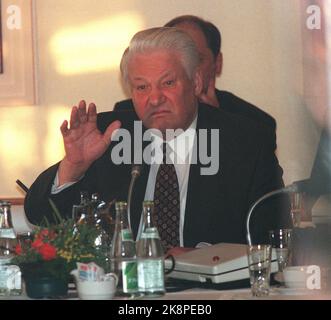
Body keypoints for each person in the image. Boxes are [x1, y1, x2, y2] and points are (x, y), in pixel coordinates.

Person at [24, 27, 291, 248]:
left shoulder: (246, 142)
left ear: (196, 82)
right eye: (142, 87)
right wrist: (73, 168)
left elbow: (272, 240)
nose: (154, 98)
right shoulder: (110, 135)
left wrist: (200, 260)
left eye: (168, 83)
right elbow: (40, 215)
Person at [114, 15, 276, 133]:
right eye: (142, 86)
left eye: (196, 58)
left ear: (217, 63)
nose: (156, 99)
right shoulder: (124, 117)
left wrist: (217, 123)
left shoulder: (255, 124)